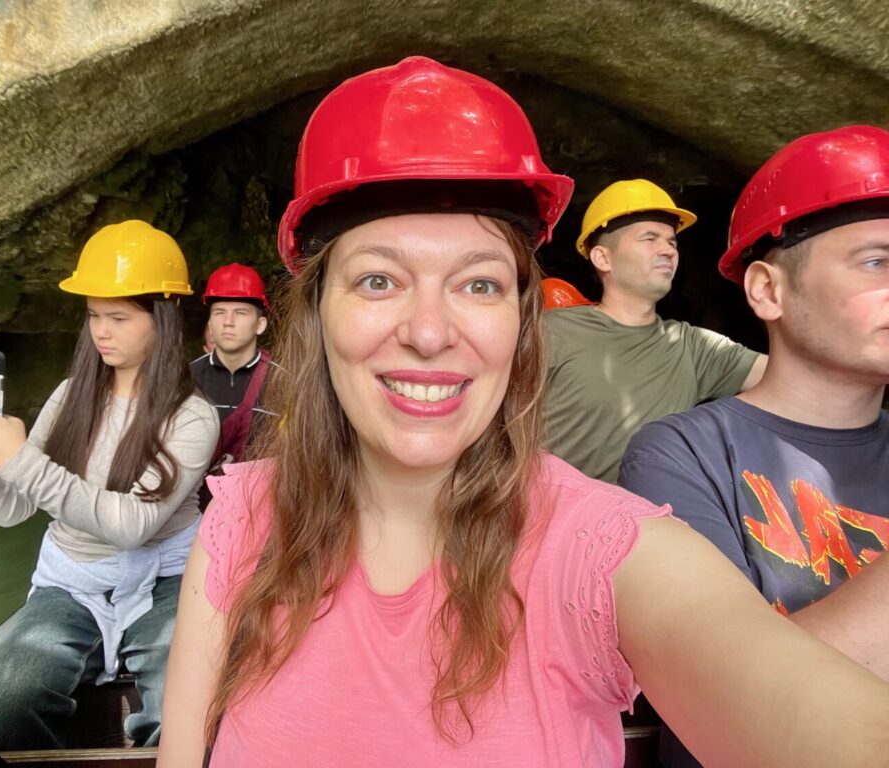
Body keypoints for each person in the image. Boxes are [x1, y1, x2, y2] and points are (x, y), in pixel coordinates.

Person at [157, 57, 889, 768]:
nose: (430, 330)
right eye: (378, 279)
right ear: (316, 314)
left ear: (520, 322)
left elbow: (790, 698)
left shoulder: (606, 549)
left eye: (479, 285)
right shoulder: (242, 520)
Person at [619, 124, 889, 768]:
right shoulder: (680, 457)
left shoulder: (689, 347)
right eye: (878, 261)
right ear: (768, 289)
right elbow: (731, 711)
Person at [0, 219, 219, 749]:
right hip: (70, 582)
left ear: (163, 319)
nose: (101, 331)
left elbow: (133, 525)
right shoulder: (71, 394)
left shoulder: (192, 416)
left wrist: (18, 457)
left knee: (186, 708)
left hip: (167, 582)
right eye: (93, 315)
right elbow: (10, 509)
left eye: (118, 316)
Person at [542, 179, 767, 482]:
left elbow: (793, 380)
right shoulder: (551, 332)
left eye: (672, 242)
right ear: (603, 258)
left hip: (653, 525)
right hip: (554, 519)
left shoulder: (693, 347)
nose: (668, 251)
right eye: (649, 239)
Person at [190, 263, 276, 472]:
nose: (228, 322)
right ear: (210, 323)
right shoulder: (185, 379)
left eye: (240, 312)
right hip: (193, 502)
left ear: (260, 324)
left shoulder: (283, 382)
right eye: (219, 312)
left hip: (260, 500)